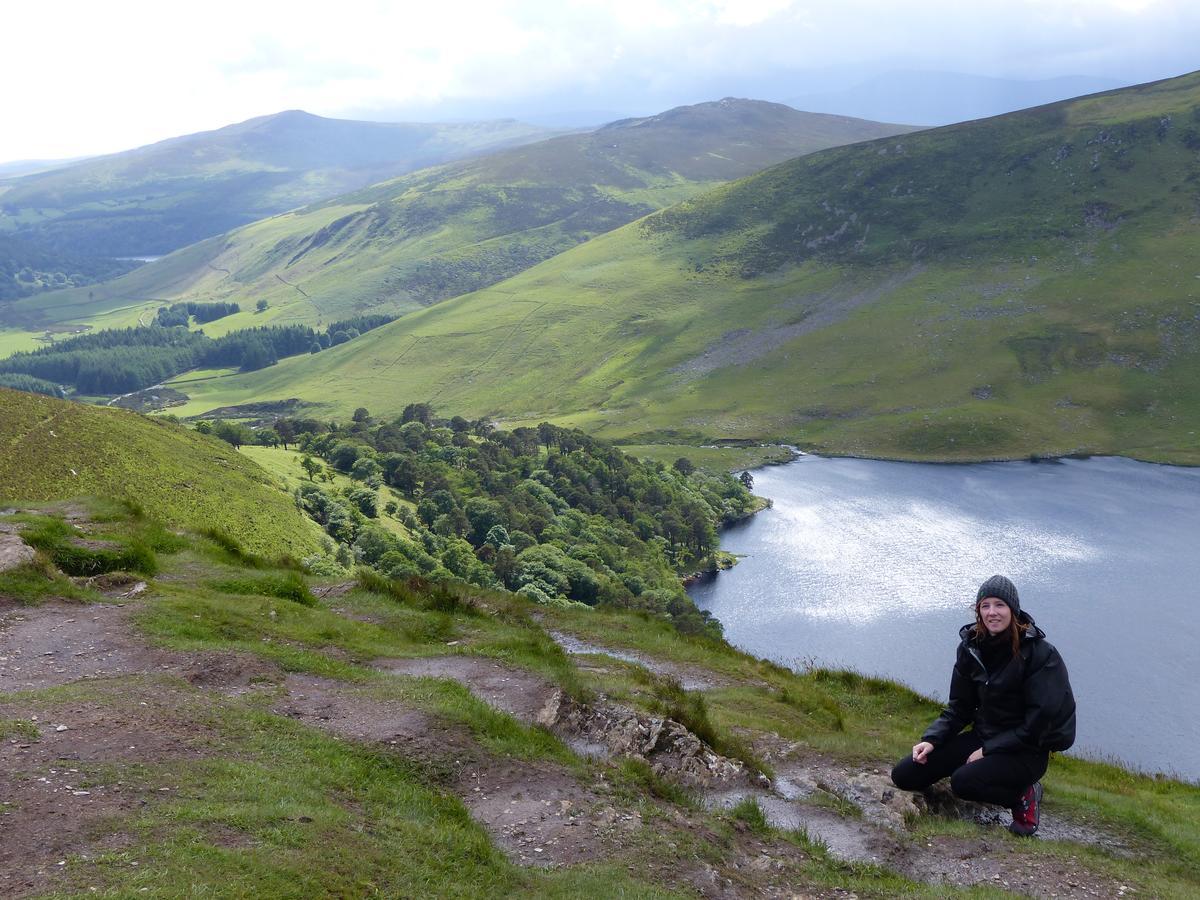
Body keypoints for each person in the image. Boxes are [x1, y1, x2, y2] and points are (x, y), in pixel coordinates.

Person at [890, 575, 1076, 836]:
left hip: (1027, 750)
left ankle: (1024, 793)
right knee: (905, 775)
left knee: (963, 782)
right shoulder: (971, 648)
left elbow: (1038, 724)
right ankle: (984, 769)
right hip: (985, 736)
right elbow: (959, 707)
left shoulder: (1041, 655)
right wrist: (932, 739)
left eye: (999, 605)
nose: (992, 613)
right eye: (985, 605)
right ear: (977, 610)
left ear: (1013, 610)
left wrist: (987, 751)